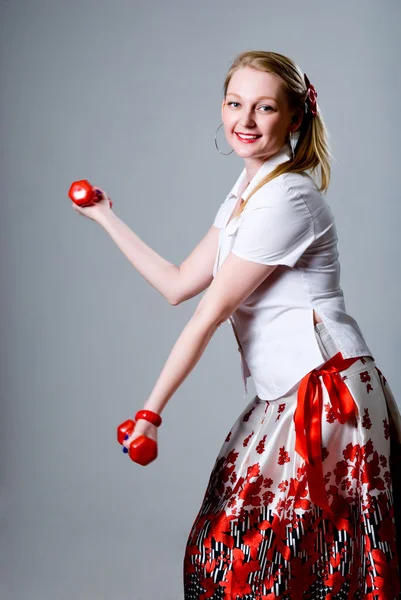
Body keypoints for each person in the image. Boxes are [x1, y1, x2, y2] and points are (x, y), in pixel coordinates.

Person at [72, 50, 401, 599]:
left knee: (277, 561)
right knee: (258, 558)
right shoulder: (246, 196)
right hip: (288, 392)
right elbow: (179, 284)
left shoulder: (289, 198)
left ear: (294, 118)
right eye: (234, 103)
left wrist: (150, 412)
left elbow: (211, 311)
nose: (244, 121)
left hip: (323, 392)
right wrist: (106, 215)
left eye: (264, 107)